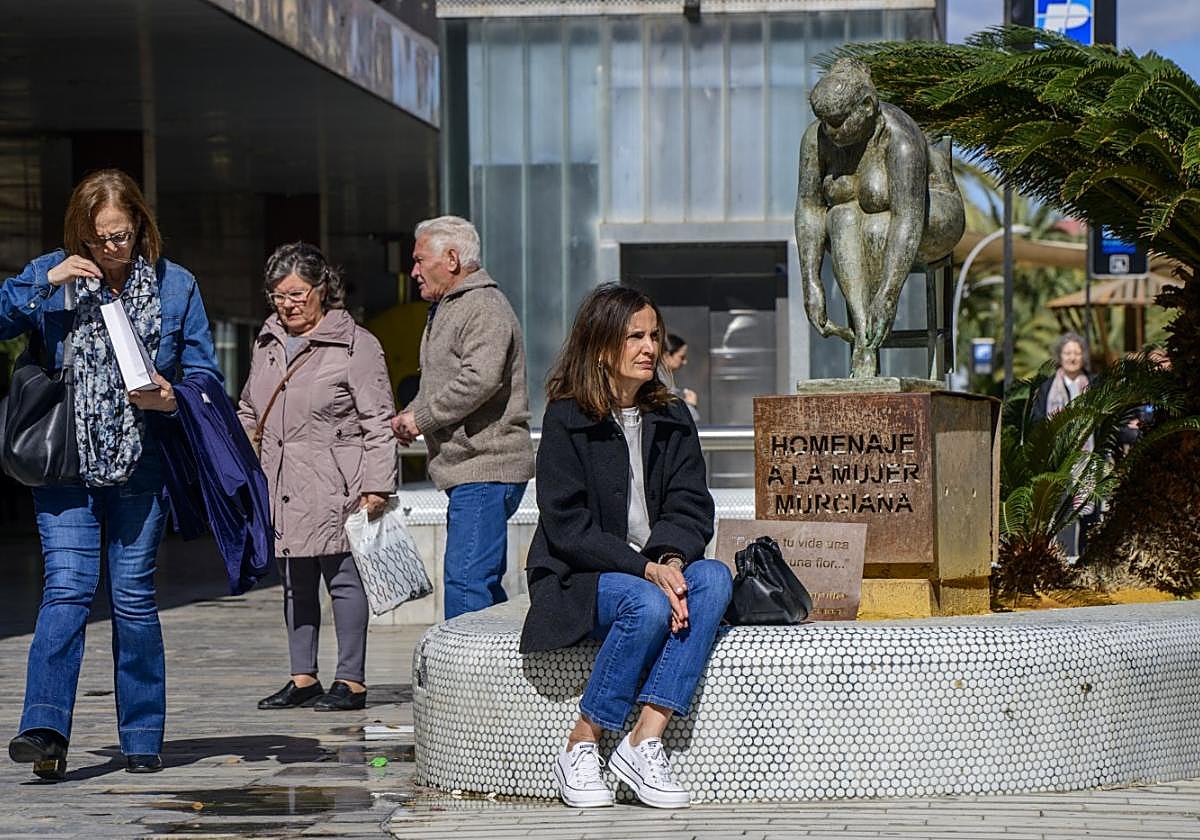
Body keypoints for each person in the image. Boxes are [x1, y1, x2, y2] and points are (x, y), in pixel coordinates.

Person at [0, 169, 222, 779]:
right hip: (65, 463)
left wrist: (171, 397)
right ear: (80, 234)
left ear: (141, 227)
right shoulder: (53, 272)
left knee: (132, 598)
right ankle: (45, 732)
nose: (110, 249)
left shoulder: (176, 286)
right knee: (67, 589)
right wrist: (44, 283)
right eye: (97, 239)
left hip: (141, 463)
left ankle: (143, 736)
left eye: (120, 236)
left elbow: (205, 376)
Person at [520, 283, 733, 810]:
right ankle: (582, 741)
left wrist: (671, 560)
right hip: (582, 577)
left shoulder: (672, 416)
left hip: (656, 568)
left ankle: (643, 739)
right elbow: (567, 526)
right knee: (646, 603)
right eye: (634, 336)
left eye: (654, 336)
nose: (649, 348)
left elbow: (691, 505)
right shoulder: (567, 418)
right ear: (600, 347)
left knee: (714, 579)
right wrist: (645, 570)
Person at [238, 243, 396, 713]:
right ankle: (302, 676)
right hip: (280, 480)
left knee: (343, 580)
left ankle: (351, 680)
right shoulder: (267, 342)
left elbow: (378, 420)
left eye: (296, 294)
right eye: (278, 295)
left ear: (322, 289)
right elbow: (249, 407)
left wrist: (377, 485)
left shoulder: (357, 345)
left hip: (336, 483)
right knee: (294, 581)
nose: (287, 304)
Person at [390, 216, 534, 620]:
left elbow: (479, 379)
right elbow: (442, 380)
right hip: (470, 470)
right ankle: (496, 654)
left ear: (452, 259)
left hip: (485, 467)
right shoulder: (450, 307)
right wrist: (411, 414)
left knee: (467, 582)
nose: (413, 271)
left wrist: (421, 419)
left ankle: (467, 661)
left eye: (419, 260)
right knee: (477, 583)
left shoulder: (482, 305)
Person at [795, 57, 965, 377]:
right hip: (863, 224)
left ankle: (868, 340)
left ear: (867, 106)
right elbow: (809, 208)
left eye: (839, 121)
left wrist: (888, 294)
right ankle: (865, 337)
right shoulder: (815, 139)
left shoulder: (900, 138)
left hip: (933, 213)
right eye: (825, 121)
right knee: (840, 218)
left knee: (876, 226)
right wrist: (811, 283)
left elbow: (908, 217)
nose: (831, 131)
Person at [1030, 332, 1090, 424]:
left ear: (1083, 356)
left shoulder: (1094, 383)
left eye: (1077, 353)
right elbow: (1037, 419)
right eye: (1067, 353)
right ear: (1060, 356)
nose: (1072, 358)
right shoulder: (1046, 386)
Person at [662, 333, 700, 423]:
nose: (684, 362)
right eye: (681, 357)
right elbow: (674, 416)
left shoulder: (666, 377)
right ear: (667, 355)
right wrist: (690, 405)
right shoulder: (660, 381)